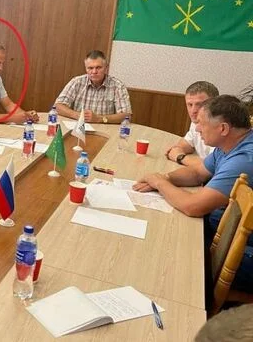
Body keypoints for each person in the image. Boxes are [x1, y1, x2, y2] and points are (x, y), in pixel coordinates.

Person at [134, 95, 253, 291]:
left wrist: (159, 183)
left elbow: (193, 207)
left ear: (223, 128)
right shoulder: (228, 145)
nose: (197, 129)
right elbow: (198, 173)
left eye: (201, 124)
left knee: (183, 262)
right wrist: (165, 178)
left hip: (248, 243)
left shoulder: (244, 159)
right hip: (239, 227)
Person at [55, 50, 131, 124]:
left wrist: (99, 118)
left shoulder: (118, 86)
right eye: (90, 68)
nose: (94, 72)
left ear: (106, 68)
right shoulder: (76, 82)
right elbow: (58, 106)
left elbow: (127, 116)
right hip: (78, 128)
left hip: (104, 129)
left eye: (98, 67)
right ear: (86, 69)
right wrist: (78, 115)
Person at [165, 81, 219, 167]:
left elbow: (211, 167)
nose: (193, 110)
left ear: (215, 104)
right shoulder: (196, 121)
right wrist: (177, 149)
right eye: (190, 104)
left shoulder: (219, 128)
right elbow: (188, 144)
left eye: (199, 105)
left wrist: (180, 157)